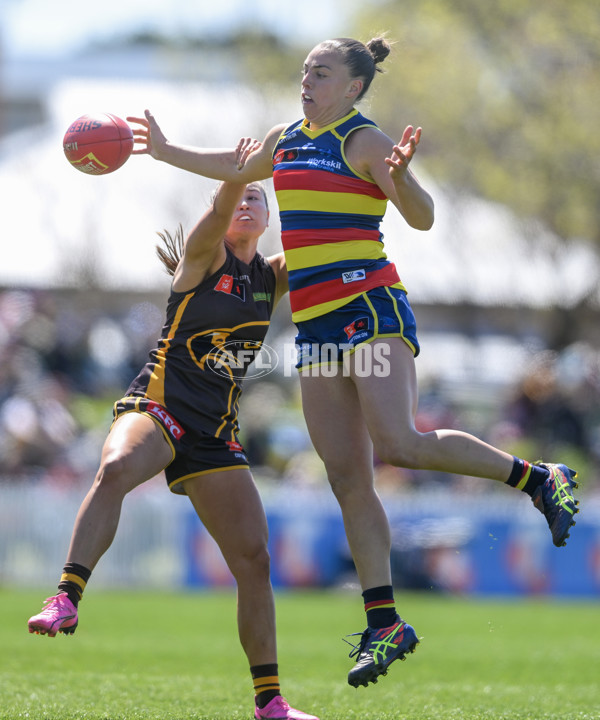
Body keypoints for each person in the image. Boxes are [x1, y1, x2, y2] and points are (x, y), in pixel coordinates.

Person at [127, 35, 580, 689]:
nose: (307, 79)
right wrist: (166, 151)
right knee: (347, 479)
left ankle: (540, 478)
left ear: (353, 87)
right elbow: (236, 165)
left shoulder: (363, 141)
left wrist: (402, 181)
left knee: (400, 445)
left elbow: (422, 219)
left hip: (369, 312)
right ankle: (384, 622)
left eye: (321, 72)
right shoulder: (285, 137)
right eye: (305, 70)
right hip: (315, 330)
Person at [27, 168, 319, 720]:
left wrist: (374, 176)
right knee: (115, 468)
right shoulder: (205, 253)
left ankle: (270, 703)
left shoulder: (271, 277)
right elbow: (225, 200)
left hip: (214, 433)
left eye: (258, 197)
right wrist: (240, 173)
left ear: (269, 216)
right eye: (237, 196)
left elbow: (329, 235)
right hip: (158, 407)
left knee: (254, 561)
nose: (246, 203)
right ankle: (66, 597)